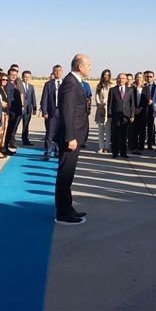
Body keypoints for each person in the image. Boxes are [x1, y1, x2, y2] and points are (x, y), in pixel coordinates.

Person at [53, 54, 91, 225]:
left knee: (68, 176)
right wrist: (70, 137)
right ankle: (62, 213)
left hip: (74, 136)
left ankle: (68, 208)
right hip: (71, 138)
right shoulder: (70, 83)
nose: (90, 67)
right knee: (65, 175)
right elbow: (67, 112)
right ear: (80, 66)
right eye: (88, 65)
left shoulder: (75, 82)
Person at [108, 73, 134, 159]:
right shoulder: (112, 90)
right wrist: (110, 115)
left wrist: (132, 115)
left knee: (124, 136)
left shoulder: (130, 90)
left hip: (126, 116)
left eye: (123, 78)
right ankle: (114, 153)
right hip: (115, 117)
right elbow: (110, 104)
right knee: (114, 135)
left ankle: (123, 152)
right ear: (117, 79)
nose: (121, 80)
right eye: (119, 78)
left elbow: (132, 104)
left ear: (126, 80)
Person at [40, 65, 63, 160]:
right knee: (49, 132)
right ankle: (48, 152)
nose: (57, 72)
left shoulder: (66, 83)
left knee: (60, 133)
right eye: (55, 71)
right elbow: (44, 99)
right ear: (53, 72)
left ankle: (58, 151)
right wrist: (44, 112)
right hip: (51, 112)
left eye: (59, 70)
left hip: (62, 112)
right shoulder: (48, 84)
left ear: (62, 72)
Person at [129, 72, 150, 155]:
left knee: (142, 130)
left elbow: (147, 99)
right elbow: (130, 100)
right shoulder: (132, 88)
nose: (139, 78)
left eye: (140, 77)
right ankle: (134, 146)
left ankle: (141, 146)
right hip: (133, 112)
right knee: (134, 130)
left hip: (142, 112)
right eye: (137, 77)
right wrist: (133, 110)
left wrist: (140, 109)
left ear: (143, 78)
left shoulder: (146, 88)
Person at [95, 69, 112, 153]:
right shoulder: (99, 85)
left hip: (108, 109)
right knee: (101, 130)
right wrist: (100, 105)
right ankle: (101, 147)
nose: (106, 76)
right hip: (100, 109)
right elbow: (96, 96)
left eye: (108, 75)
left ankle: (107, 147)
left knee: (108, 130)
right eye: (105, 75)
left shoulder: (112, 86)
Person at [20, 70, 37, 146]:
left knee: (26, 125)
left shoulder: (31, 87)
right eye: (25, 77)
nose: (27, 79)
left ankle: (25, 140)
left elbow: (33, 97)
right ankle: (11, 141)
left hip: (28, 109)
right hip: (20, 109)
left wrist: (34, 108)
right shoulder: (19, 85)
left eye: (28, 77)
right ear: (22, 77)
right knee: (15, 125)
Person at [143, 71, 156, 150]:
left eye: (150, 76)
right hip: (143, 109)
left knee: (150, 126)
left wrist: (153, 101)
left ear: (153, 77)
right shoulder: (143, 86)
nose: (149, 78)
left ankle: (150, 143)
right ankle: (141, 142)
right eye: (147, 77)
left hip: (152, 109)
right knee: (142, 127)